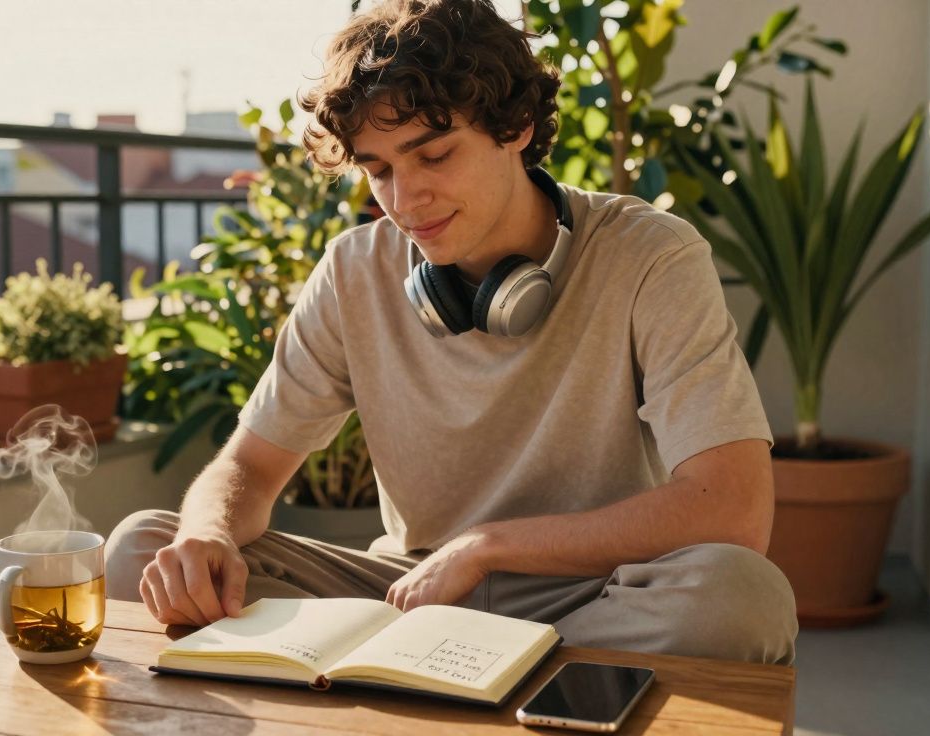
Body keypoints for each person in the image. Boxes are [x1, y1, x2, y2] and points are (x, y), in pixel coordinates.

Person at [107, 0, 797, 665]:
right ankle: (494, 677)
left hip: (596, 594)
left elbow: (732, 508)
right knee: (145, 549)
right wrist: (207, 535)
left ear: (516, 125)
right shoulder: (353, 272)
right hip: (411, 595)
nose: (405, 201)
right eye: (379, 170)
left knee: (742, 596)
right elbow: (250, 468)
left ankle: (453, 678)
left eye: (434, 155)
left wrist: (489, 546)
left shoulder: (651, 255)